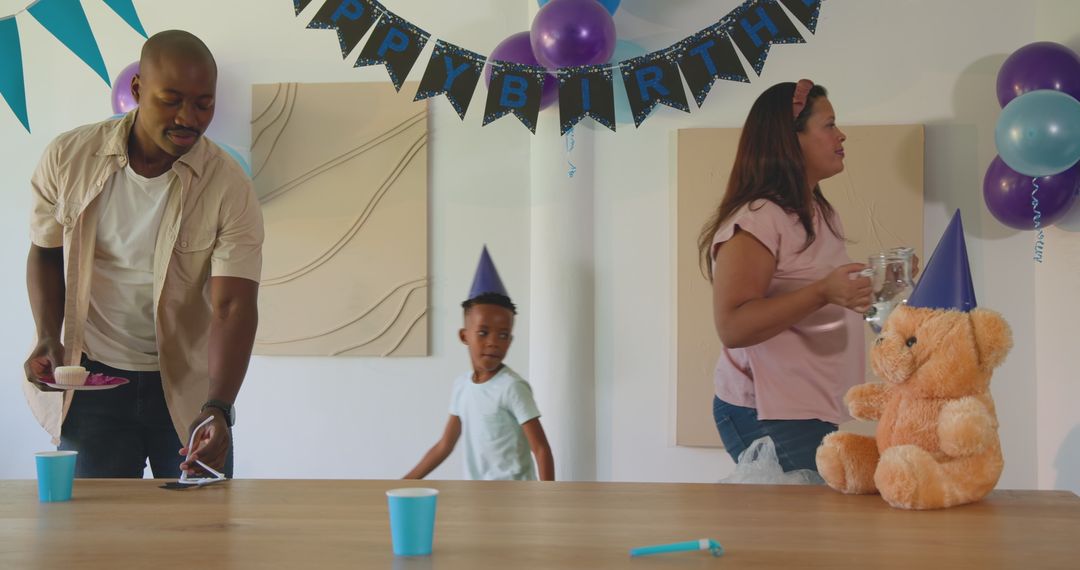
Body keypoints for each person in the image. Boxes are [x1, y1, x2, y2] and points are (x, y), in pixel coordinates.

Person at [23, 30, 263, 479]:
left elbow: (233, 305)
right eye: (171, 100)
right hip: (92, 382)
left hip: (188, 389)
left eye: (203, 104)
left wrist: (220, 407)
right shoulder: (68, 158)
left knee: (202, 537)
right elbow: (45, 251)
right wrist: (45, 335)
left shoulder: (229, 185)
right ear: (137, 90)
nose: (187, 118)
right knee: (98, 539)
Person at [697, 79, 872, 473]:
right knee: (807, 532)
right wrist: (824, 291)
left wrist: (873, 284)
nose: (841, 135)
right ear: (790, 140)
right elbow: (733, 326)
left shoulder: (819, 213)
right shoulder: (757, 219)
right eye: (828, 125)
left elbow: (818, 294)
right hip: (766, 411)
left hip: (805, 405)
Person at [405, 247, 554, 481]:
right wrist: (404, 483)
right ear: (464, 336)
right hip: (478, 497)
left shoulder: (512, 387)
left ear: (511, 340)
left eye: (503, 335)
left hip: (516, 501)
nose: (494, 342)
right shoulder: (461, 386)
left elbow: (541, 449)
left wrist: (549, 500)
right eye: (483, 332)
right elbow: (445, 445)